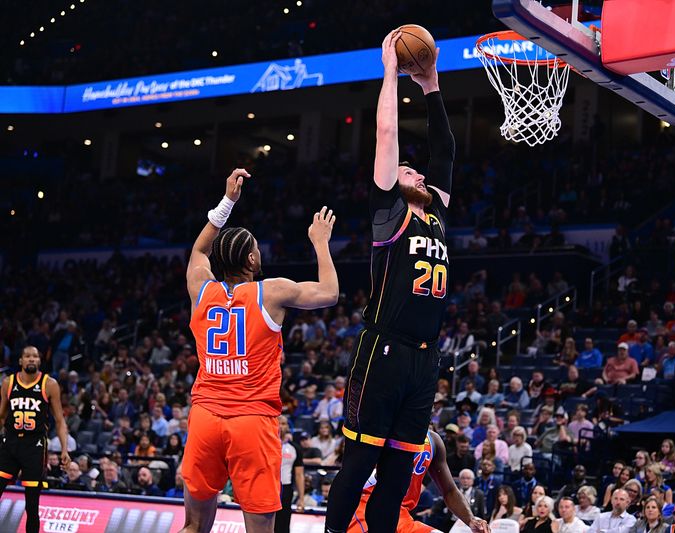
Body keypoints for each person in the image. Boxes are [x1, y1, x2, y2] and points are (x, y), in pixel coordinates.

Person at [327, 29, 456, 533]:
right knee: (359, 465)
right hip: (382, 349)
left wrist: (432, 83)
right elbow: (387, 136)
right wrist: (390, 72)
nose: (417, 172)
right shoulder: (389, 212)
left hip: (425, 359)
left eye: (418, 172)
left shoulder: (438, 216)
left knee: (398, 476)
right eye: (408, 170)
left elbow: (443, 147)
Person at [181, 169, 339, 533]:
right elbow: (329, 293)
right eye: (256, 248)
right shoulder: (272, 291)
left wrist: (228, 202)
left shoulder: (200, 288)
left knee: (193, 526)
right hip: (252, 422)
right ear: (251, 260)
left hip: (205, 417)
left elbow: (199, 249)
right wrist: (320, 242)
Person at [348, 431, 489, 533]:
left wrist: (470, 520)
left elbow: (450, 490)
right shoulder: (383, 429)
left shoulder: (434, 440)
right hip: (367, 505)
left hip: (402, 514)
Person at [0, 346, 70, 533]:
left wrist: (64, 449)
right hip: (10, 443)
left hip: (34, 446)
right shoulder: (8, 382)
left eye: (35, 357)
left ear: (39, 361)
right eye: (27, 356)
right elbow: (1, 416)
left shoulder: (50, 384)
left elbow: (59, 420)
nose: (31, 359)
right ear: (21, 361)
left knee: (32, 505)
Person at [276, 416, 305, 533]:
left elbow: (299, 474)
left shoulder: (295, 448)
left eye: (284, 424)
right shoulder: (266, 444)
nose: (282, 426)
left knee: (283, 524)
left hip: (286, 489)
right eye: (280, 423)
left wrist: (301, 499)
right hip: (267, 488)